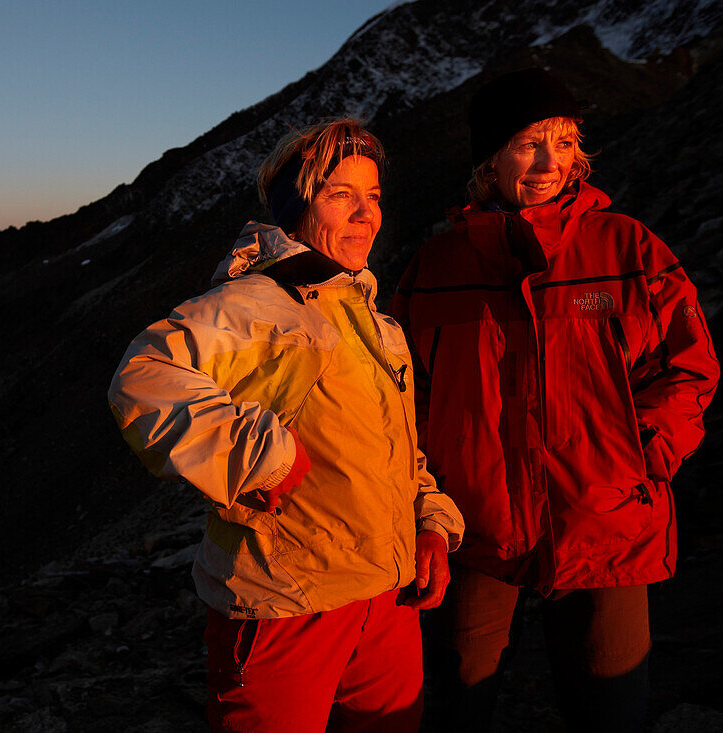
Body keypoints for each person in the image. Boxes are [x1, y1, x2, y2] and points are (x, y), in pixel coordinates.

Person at [108, 118, 464, 732]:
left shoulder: (376, 324)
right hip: (287, 606)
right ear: (297, 207)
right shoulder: (259, 305)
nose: (365, 215)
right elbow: (142, 374)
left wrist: (429, 518)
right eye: (339, 195)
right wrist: (258, 453)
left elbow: (394, 450)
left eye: (372, 196)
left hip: (386, 603)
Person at [391, 68, 720, 732]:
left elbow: (687, 369)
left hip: (605, 523)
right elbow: (403, 395)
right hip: (475, 529)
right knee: (456, 706)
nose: (550, 163)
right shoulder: (435, 268)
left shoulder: (628, 249)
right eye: (528, 143)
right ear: (488, 160)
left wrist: (637, 461)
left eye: (565, 141)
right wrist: (431, 494)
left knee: (611, 712)